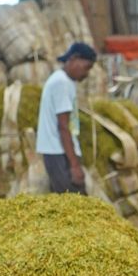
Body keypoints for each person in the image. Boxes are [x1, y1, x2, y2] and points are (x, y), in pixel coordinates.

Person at [37, 42, 97, 194]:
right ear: (75, 59)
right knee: (74, 203)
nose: (86, 74)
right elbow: (64, 127)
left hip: (60, 152)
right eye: (86, 67)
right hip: (59, 152)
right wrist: (74, 165)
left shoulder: (64, 81)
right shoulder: (61, 83)